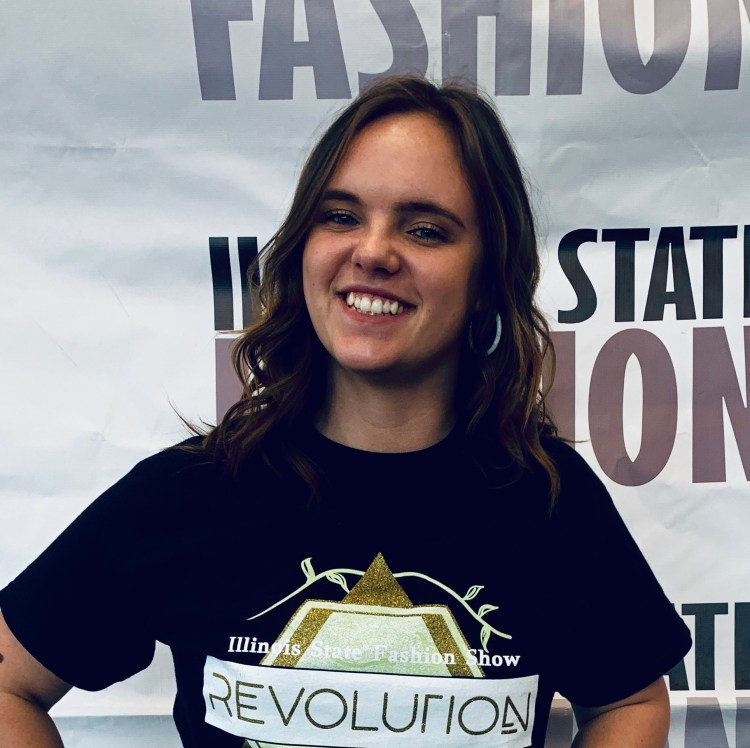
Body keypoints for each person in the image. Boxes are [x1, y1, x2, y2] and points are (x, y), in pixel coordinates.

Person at [0, 75, 690, 747]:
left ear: (486, 279)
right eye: (341, 216)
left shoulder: (548, 500)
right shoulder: (187, 494)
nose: (373, 251)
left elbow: (630, 700)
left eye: (425, 230)